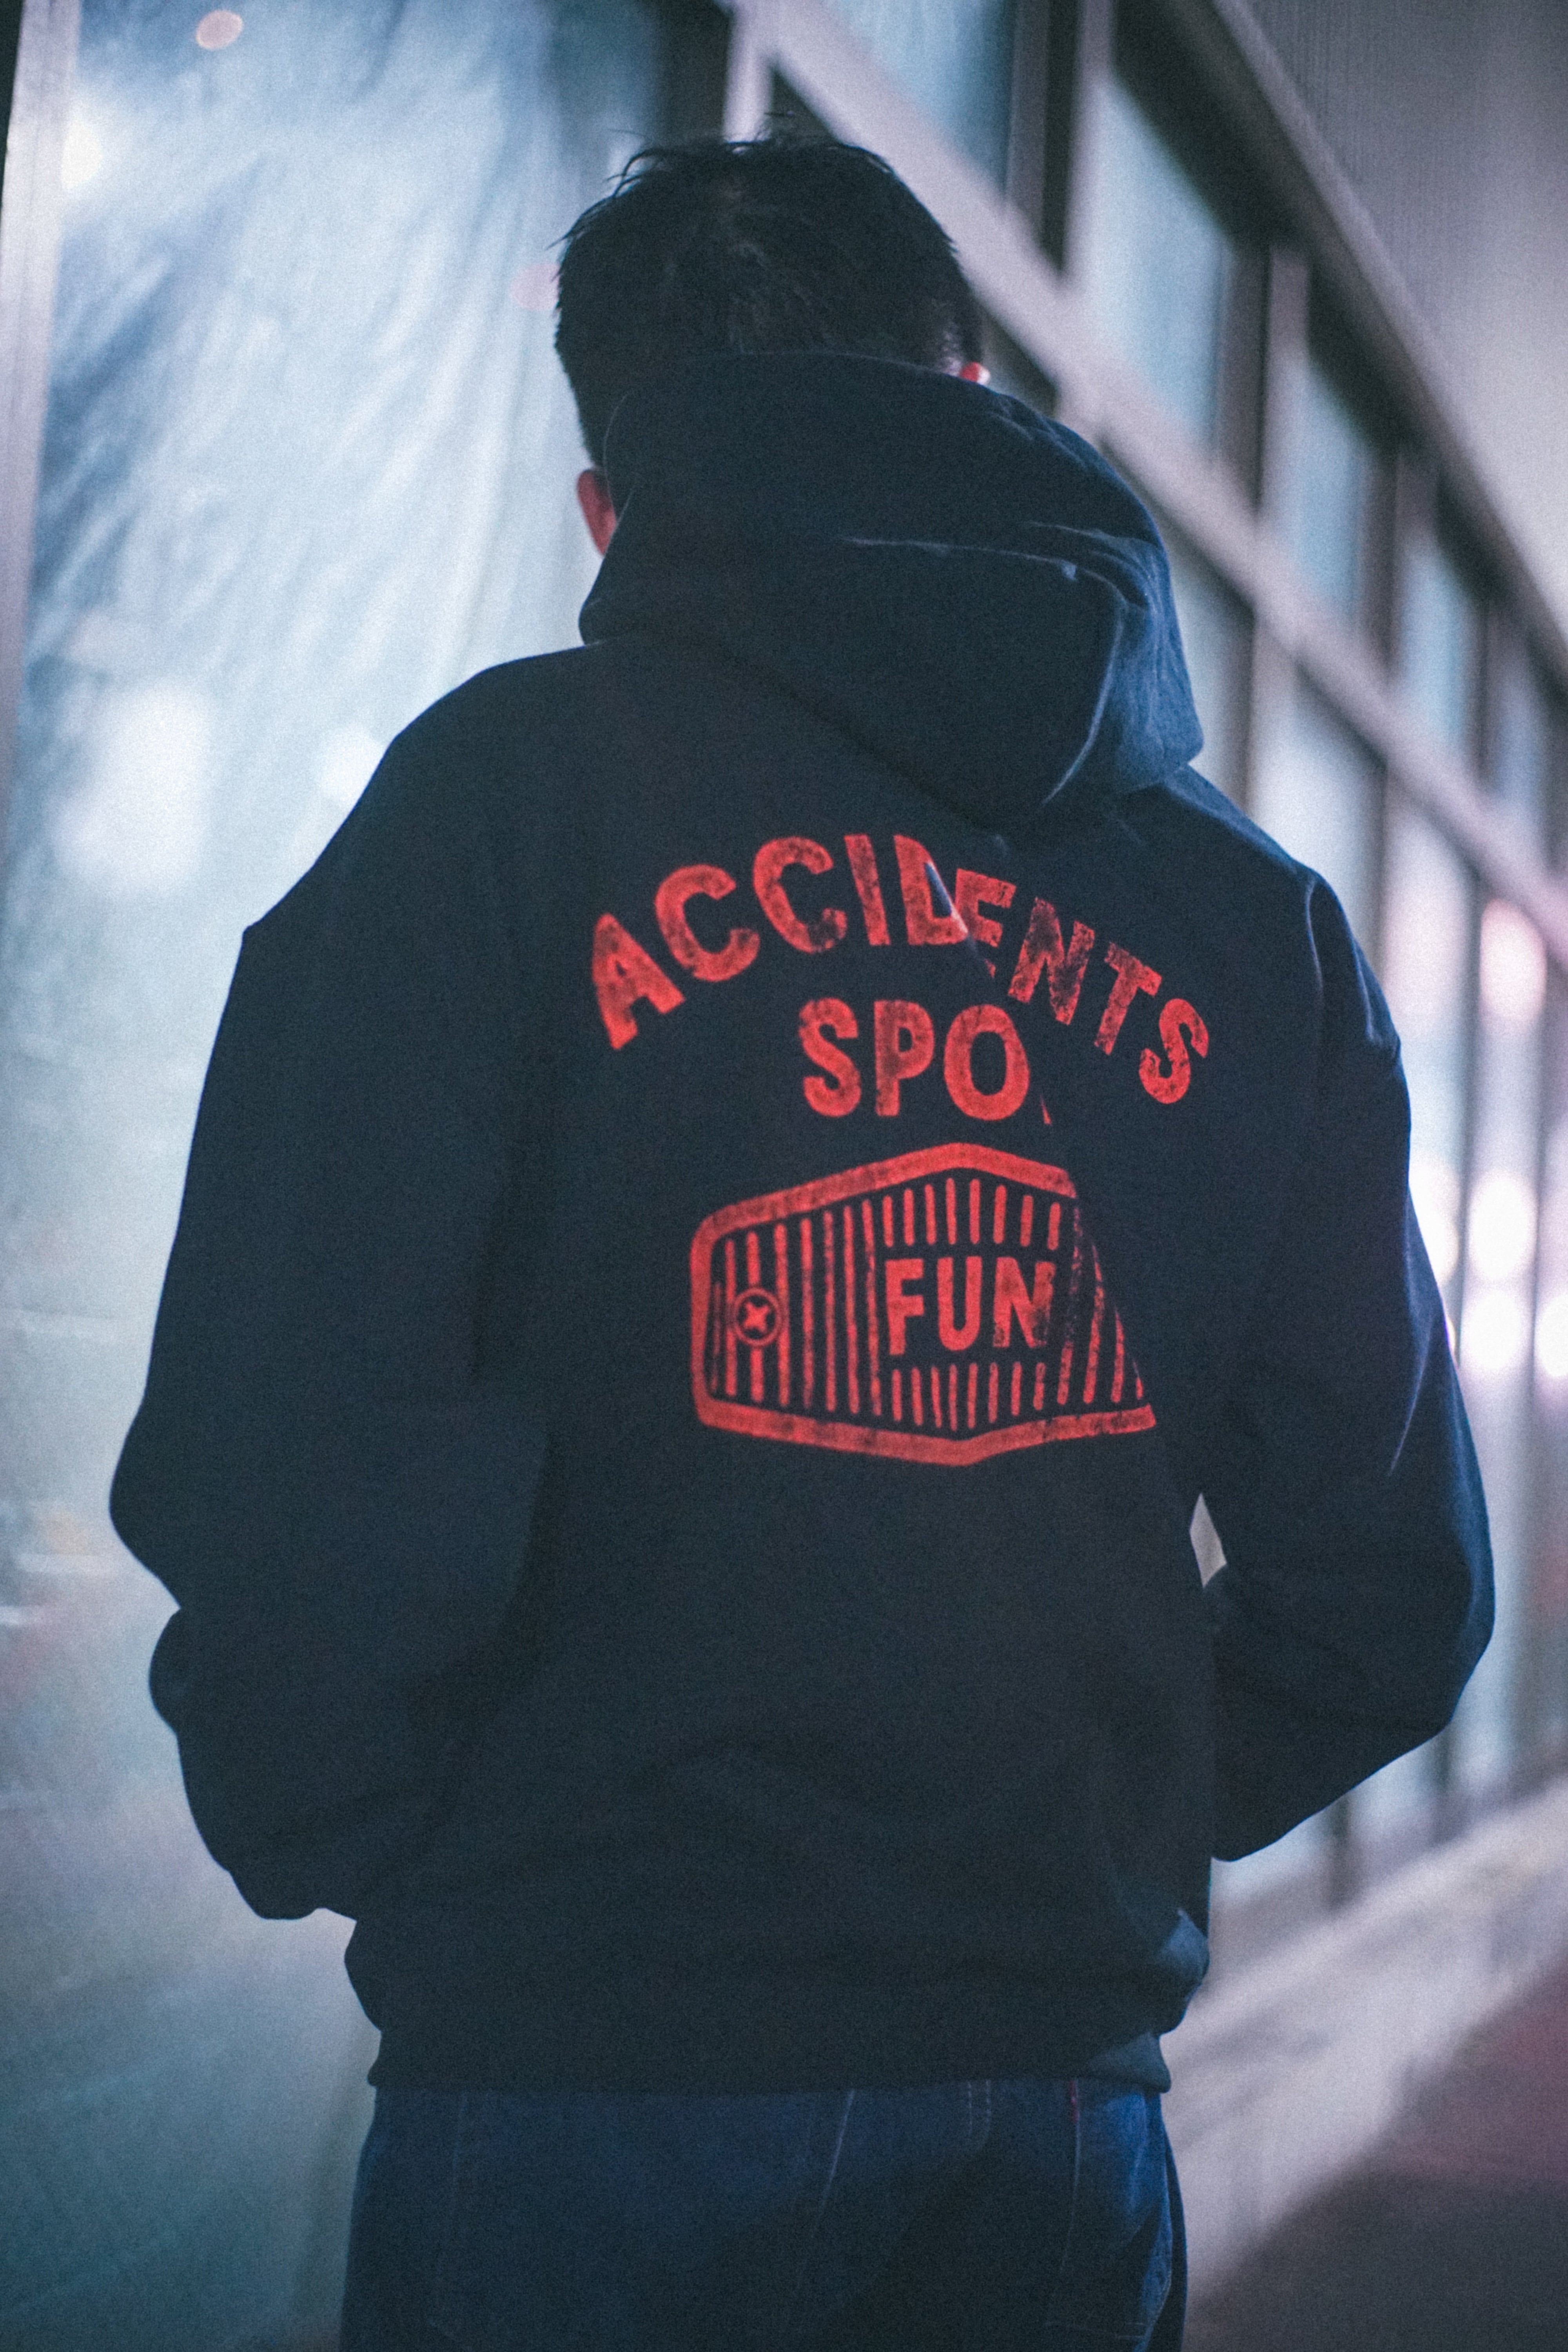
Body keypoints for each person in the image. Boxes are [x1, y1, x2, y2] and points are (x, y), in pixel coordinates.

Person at [110, 135, 1492, 2349]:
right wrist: (1069, 1845)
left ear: (609, 510)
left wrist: (394, 1840)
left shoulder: (496, 805)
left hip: (579, 2062)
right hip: (1046, 2103)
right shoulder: (1258, 927)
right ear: (971, 392)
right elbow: (1395, 1588)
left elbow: (301, 1419)